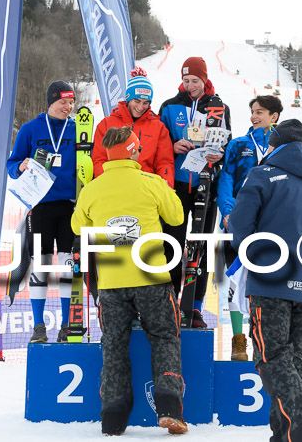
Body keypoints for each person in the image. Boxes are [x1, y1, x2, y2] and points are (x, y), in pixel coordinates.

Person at [229, 119, 302, 442]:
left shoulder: (263, 175)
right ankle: (283, 435)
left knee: (271, 358)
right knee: (292, 363)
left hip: (269, 280)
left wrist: (253, 256)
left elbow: (240, 223)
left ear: (274, 144)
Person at [71, 126, 186, 436]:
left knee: (114, 346)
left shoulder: (93, 188)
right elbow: (176, 217)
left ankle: (113, 418)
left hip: (110, 282)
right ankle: (169, 407)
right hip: (152, 278)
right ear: (135, 151)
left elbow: (78, 225)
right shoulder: (151, 182)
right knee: (164, 338)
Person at [158, 56, 231, 327]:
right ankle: (169, 302)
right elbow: (158, 141)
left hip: (205, 185)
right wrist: (173, 146)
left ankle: (196, 307)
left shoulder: (219, 107)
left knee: (200, 246)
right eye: (186, 80)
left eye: (195, 81)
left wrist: (217, 156)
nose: (190, 86)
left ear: (205, 79)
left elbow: (227, 145)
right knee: (172, 244)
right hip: (176, 185)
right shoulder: (170, 106)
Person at [6, 80, 77, 344]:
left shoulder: (78, 128)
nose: (67, 107)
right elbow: (11, 164)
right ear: (51, 102)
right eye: (62, 102)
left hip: (70, 208)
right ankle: (39, 327)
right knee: (41, 265)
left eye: (71, 102)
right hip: (41, 207)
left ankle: (67, 325)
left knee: (68, 267)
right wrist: (21, 165)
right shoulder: (31, 129)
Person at [217, 95, 283, 360]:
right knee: (234, 281)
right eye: (253, 111)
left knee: (262, 283)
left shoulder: (285, 147)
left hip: (269, 226)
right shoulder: (238, 144)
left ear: (274, 116)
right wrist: (229, 212)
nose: (254, 116)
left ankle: (259, 336)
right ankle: (238, 341)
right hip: (239, 225)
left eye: (261, 112)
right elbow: (226, 179)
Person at [91, 67, 175, 188]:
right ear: (128, 99)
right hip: (114, 187)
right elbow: (99, 160)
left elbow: (164, 162)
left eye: (146, 102)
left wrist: (165, 186)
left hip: (146, 189)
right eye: (137, 101)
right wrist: (107, 185)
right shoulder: (107, 124)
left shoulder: (158, 127)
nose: (141, 107)